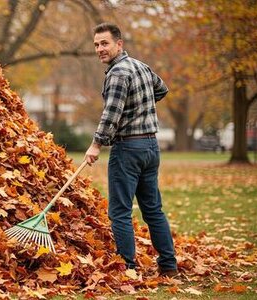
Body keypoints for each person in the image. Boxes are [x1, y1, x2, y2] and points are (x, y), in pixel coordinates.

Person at [85, 23, 178, 277]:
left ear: (119, 44)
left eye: (104, 43)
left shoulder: (117, 73)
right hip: (150, 146)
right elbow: (161, 89)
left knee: (120, 211)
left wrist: (96, 145)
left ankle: (128, 268)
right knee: (152, 209)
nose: (100, 49)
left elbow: (111, 114)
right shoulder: (141, 66)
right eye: (96, 45)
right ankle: (169, 266)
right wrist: (139, 107)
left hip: (128, 149)